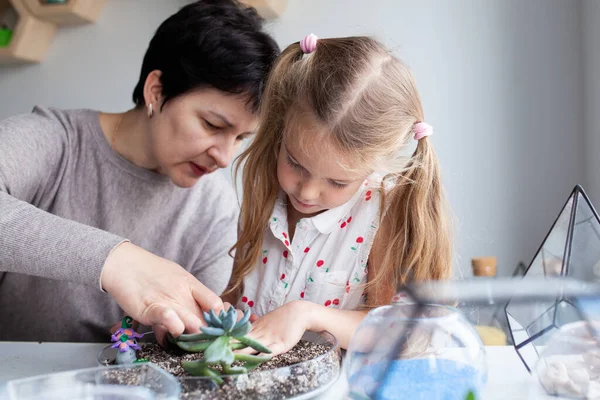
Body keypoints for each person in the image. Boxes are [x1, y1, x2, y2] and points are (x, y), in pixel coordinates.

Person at [0, 0, 279, 342]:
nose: (224, 157)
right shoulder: (55, 142)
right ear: (156, 91)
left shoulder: (215, 211)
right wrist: (118, 261)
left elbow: (187, 346)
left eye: (240, 138)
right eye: (212, 124)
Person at [224, 34, 452, 355]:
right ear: (282, 129)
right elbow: (232, 294)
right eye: (295, 162)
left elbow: (395, 329)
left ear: (371, 167)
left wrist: (306, 314)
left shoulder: (380, 213)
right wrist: (220, 316)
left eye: (337, 182)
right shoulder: (263, 185)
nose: (307, 190)